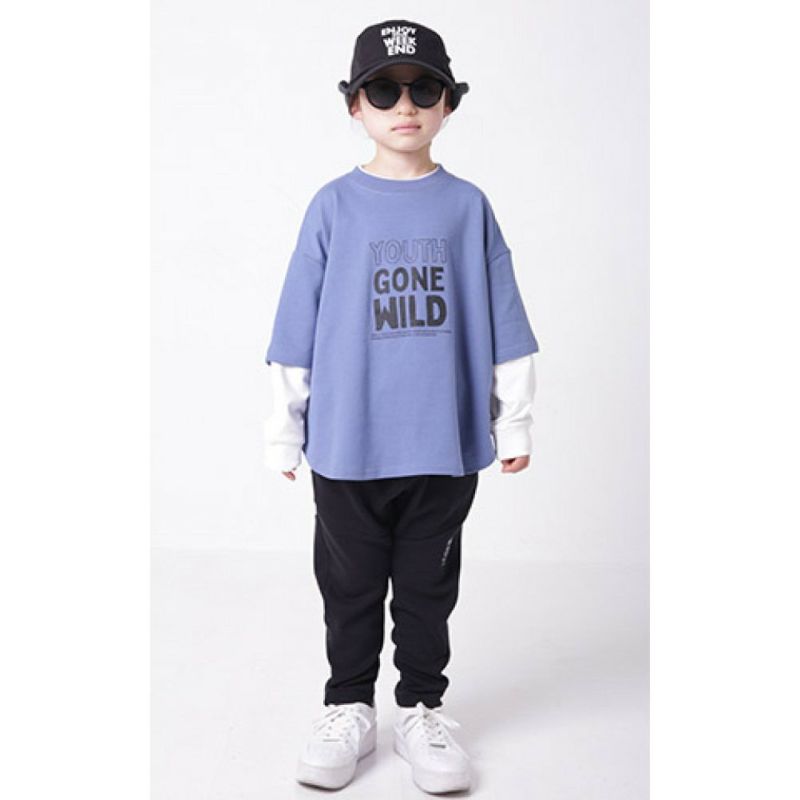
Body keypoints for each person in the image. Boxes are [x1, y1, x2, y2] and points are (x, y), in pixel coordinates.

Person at [263, 19, 539, 794]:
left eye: (424, 88)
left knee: (426, 589)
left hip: (441, 446)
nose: (405, 105)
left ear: (449, 102)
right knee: (349, 586)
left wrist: (513, 420)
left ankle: (421, 707)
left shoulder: (467, 207)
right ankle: (349, 705)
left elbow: (507, 321)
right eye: (383, 90)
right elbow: (296, 325)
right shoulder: (333, 207)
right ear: (355, 105)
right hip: (348, 446)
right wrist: (284, 429)